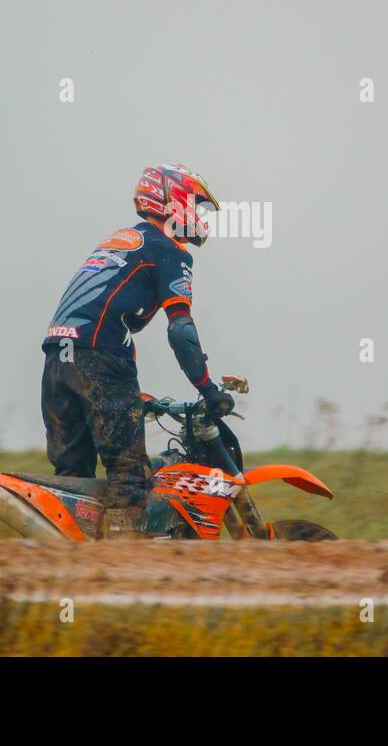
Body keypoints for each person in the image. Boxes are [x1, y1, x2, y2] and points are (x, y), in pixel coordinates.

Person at [40, 164, 235, 538]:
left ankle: (72, 569)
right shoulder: (169, 250)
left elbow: (105, 312)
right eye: (195, 204)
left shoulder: (118, 241)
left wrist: (127, 394)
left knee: (73, 481)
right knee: (129, 477)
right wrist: (209, 389)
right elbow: (180, 330)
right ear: (174, 201)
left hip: (56, 359)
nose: (198, 216)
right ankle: (124, 564)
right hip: (98, 358)